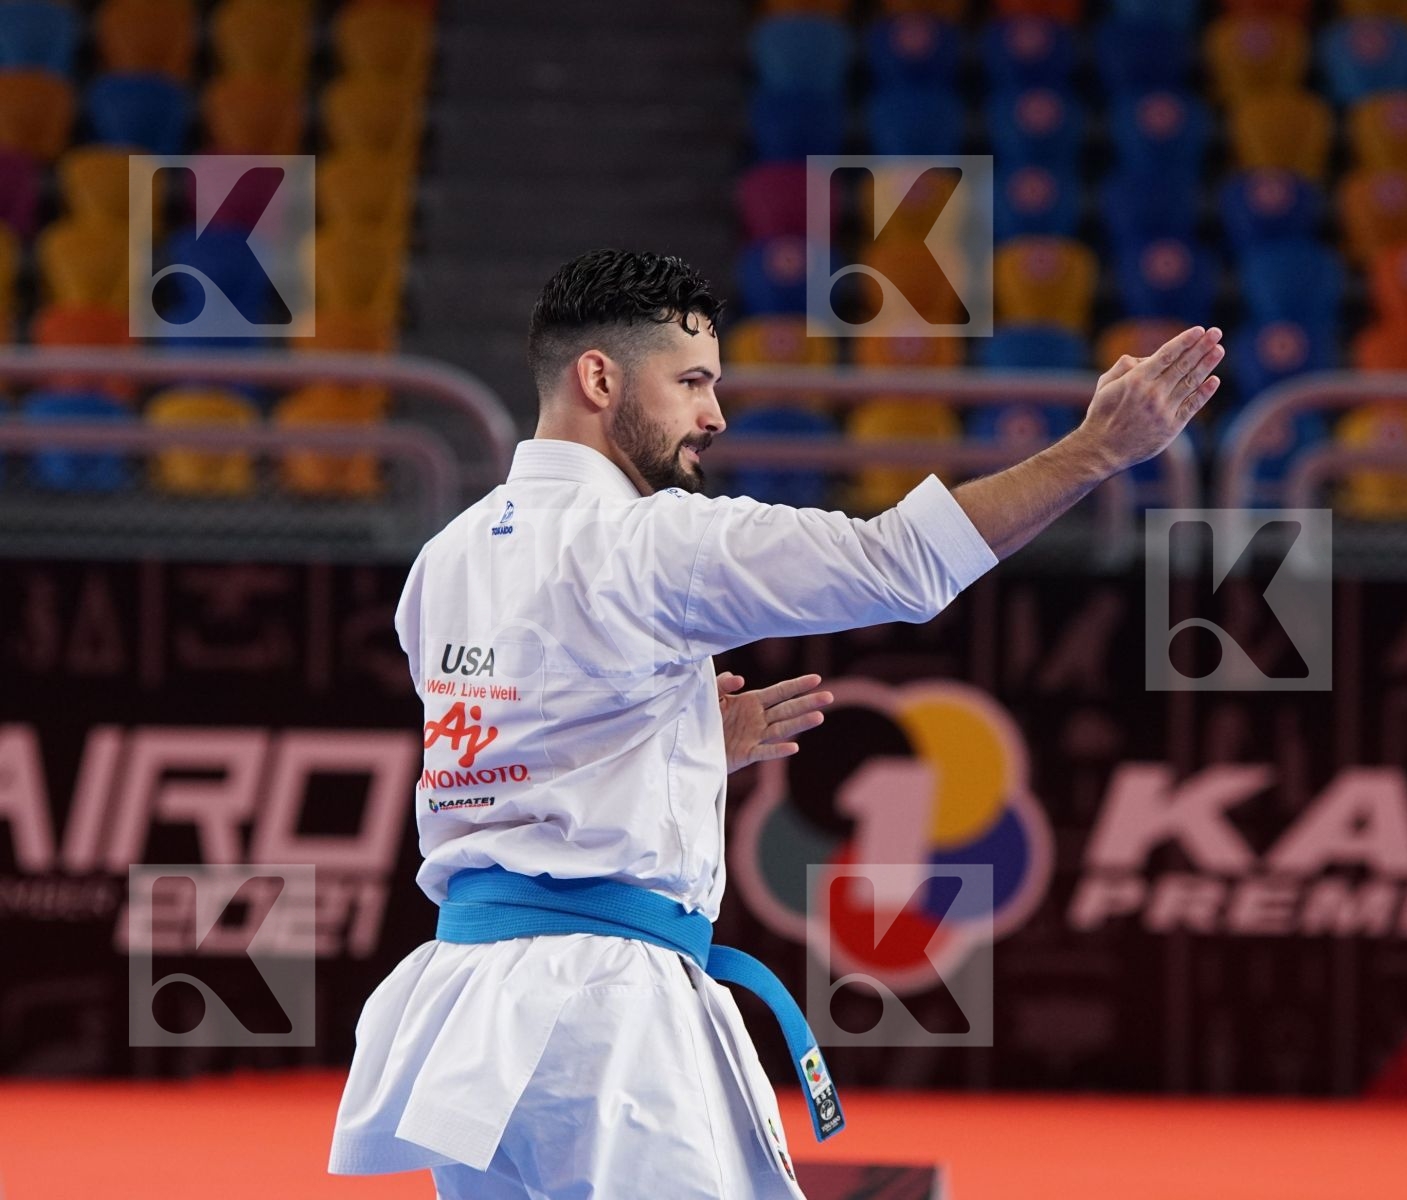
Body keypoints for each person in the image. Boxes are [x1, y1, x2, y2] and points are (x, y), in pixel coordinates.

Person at [327, 249, 1226, 1198]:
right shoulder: (653, 539)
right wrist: (1095, 453)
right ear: (600, 378)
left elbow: (514, 748)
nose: (714, 415)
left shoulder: (448, 556)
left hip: (471, 1007)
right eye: (691, 383)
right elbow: (898, 567)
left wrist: (685, 750)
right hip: (598, 1016)